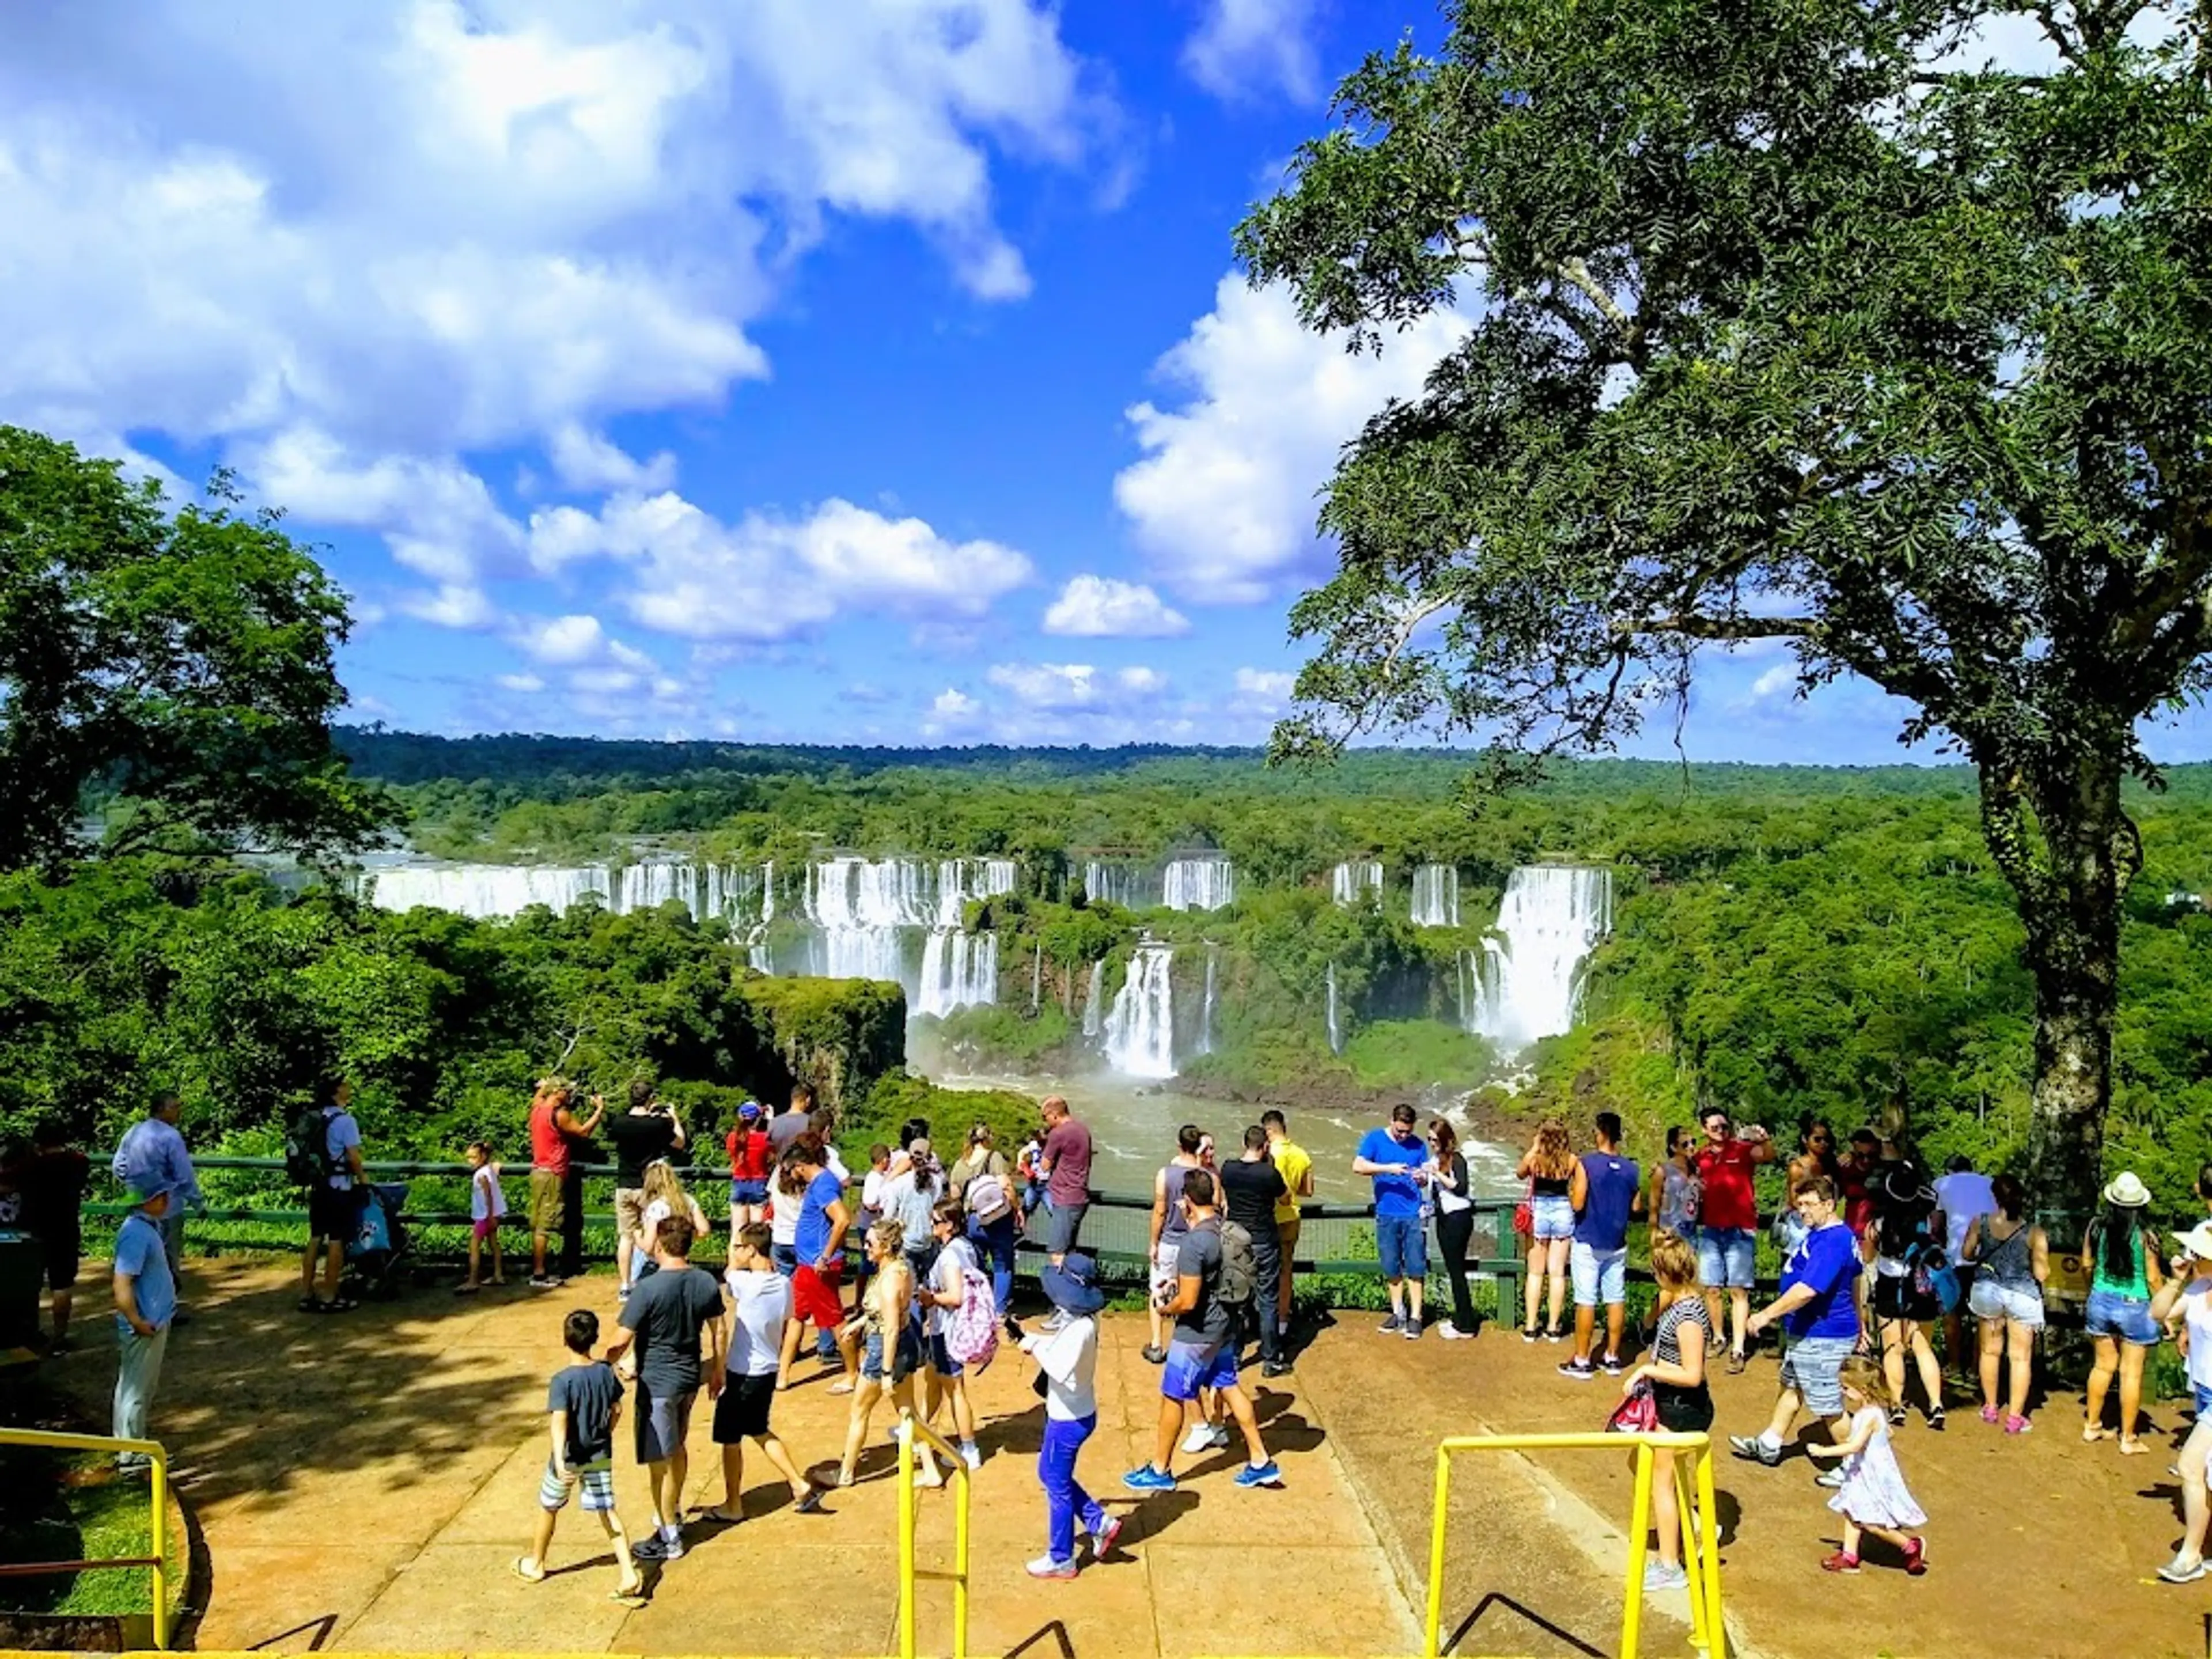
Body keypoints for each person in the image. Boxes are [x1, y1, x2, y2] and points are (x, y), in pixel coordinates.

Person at [1122, 1168, 1283, 1493]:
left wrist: (1165, 1307)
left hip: (1197, 1333)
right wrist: (1179, 1285)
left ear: (1186, 1202)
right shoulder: (1225, 1228)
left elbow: (1189, 1301)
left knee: (1172, 1396)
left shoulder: (1194, 1242)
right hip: (1226, 1324)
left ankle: (1160, 1469)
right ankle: (1261, 1461)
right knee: (1229, 1385)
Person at [605, 1214, 725, 1563]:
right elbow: (719, 1330)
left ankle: (668, 1531)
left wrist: (602, 1365)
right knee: (678, 1448)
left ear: (660, 1244)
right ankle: (670, 1511)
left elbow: (621, 1340)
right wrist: (718, 1372)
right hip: (689, 1379)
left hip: (657, 1384)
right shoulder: (705, 1282)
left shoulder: (648, 1288)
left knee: (659, 1460)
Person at [514, 1309, 646, 1603]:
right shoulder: (604, 1372)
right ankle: (627, 1572)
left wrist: (560, 1460)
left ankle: (536, 1563)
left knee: (549, 1506)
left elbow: (559, 1421)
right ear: (595, 1338)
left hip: (570, 1456)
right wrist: (605, 1432)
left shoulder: (563, 1381)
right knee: (607, 1511)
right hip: (598, 1453)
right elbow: (617, 1409)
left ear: (565, 1339)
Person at [1730, 1176, 1861, 1469]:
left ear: (1829, 1205)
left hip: (1823, 1335)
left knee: (1828, 1406)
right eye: (1799, 1204)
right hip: (1809, 1332)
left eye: (1809, 1204)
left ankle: (1858, 1468)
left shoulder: (1833, 1241)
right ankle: (1770, 1443)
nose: (1802, 1211)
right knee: (1792, 1386)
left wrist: (1766, 1315)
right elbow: (1855, 1281)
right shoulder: (1827, 1235)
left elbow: (1807, 1290)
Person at [703, 1224, 827, 1523]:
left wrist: (733, 1257)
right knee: (759, 1429)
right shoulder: (783, 1283)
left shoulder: (746, 1283)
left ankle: (733, 1504)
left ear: (751, 1250)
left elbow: (729, 1276)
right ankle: (798, 1483)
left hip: (742, 1372)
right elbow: (787, 1316)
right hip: (767, 1370)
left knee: (730, 1439)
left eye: (740, 1246)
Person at [1020, 1252, 1123, 1580]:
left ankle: (1062, 1557)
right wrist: (1035, 1340)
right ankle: (1098, 1522)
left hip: (1068, 1420)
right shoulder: (1083, 1322)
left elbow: (1060, 1368)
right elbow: (1060, 1349)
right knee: (1050, 1475)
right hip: (1074, 1413)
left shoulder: (1079, 1328)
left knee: (1056, 1484)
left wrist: (1034, 1348)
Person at [1620, 1229, 1711, 1593]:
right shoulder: (1677, 1303)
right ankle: (1691, 1525)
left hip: (1682, 1408)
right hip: (1667, 1401)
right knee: (1637, 1462)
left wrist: (1646, 1369)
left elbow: (1692, 1375)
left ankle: (1671, 1566)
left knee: (1661, 1483)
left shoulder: (1688, 1314)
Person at [838, 1220, 942, 1488]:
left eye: (870, 1244)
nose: (865, 1247)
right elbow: (889, 1314)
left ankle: (846, 1473)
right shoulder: (900, 1268)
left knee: (859, 1412)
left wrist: (885, 1372)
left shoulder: (888, 1280)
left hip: (884, 1349)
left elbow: (891, 1328)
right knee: (909, 1413)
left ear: (885, 1247)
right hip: (904, 1345)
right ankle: (931, 1470)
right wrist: (858, 1323)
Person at [1808, 1355, 1928, 1575]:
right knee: (1852, 1511)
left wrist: (1824, 1451)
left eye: (1846, 1387)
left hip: (1871, 1474)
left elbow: (1854, 1446)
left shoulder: (1869, 1416)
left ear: (1862, 1390)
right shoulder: (1871, 1414)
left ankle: (1910, 1546)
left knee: (1872, 1523)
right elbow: (1888, 1434)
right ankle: (1849, 1555)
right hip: (1862, 1472)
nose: (1843, 1392)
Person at [2082, 1171, 2165, 1455]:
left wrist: (2091, 1291)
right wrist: (2165, 1312)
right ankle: (2128, 1438)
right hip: (2135, 1303)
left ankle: (2092, 1424)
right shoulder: (2146, 1236)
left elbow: (2086, 1264)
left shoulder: (2096, 1227)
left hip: (2101, 1299)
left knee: (2103, 1366)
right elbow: (2153, 1278)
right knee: (2131, 1374)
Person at [2150, 1221, 2212, 1582]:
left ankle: (2189, 1557)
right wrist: (2175, 1280)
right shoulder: (2198, 1287)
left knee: (2190, 1467)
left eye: (2198, 1253)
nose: (2192, 1256)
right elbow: (2157, 1314)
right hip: (2204, 1391)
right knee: (2205, 1476)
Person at [1692, 1108, 1777, 1372]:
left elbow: (1767, 1156)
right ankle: (1718, 1336)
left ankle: (1738, 1349)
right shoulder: (1701, 1157)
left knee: (1739, 1290)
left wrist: (1763, 1139)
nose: (1721, 1132)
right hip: (1712, 1228)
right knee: (1712, 1288)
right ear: (1705, 1130)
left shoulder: (1741, 1149)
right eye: (1715, 1128)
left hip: (1740, 1228)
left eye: (1724, 1127)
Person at [1961, 1173, 2046, 1432]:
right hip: (2021, 1294)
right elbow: (2042, 1273)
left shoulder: (1981, 1222)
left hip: (1987, 1290)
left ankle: (1990, 1406)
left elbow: (1966, 1253)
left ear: (1994, 1197)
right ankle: (2016, 1416)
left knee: (1990, 1351)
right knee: (2020, 1358)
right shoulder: (2034, 1232)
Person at [1562, 1112, 1641, 1378]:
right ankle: (1612, 1356)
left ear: (1601, 1132)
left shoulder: (1586, 1164)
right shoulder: (1632, 1168)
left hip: (1589, 1239)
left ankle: (1583, 1360)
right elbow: (1637, 1206)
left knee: (1586, 1300)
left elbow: (1578, 1203)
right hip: (1617, 1241)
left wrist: (1572, 1192)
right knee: (1615, 1298)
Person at [777, 1138, 859, 1391]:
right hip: (807, 1264)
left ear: (800, 1166)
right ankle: (782, 1374)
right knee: (796, 1315)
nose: (791, 1176)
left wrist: (825, 1256)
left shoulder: (823, 1185)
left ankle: (852, 1373)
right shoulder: (820, 1183)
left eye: (791, 1170)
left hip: (818, 1265)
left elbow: (842, 1220)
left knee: (834, 1318)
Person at [1869, 1163, 1948, 1427]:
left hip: (1889, 1284)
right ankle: (1936, 1404)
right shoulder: (1926, 1218)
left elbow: (1868, 1256)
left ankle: (1897, 1404)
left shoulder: (1880, 1222)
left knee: (1893, 1347)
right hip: (1921, 1285)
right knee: (1922, 1347)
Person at [111, 1092, 201, 1321]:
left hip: (140, 1206)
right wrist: (196, 1202)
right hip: (167, 1206)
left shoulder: (134, 1132)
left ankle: (143, 1305)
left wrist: (137, 1187)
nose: (179, 1111)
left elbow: (118, 1166)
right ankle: (168, 1309)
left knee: (142, 1256)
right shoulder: (171, 1137)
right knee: (168, 1257)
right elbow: (184, 1174)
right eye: (175, 1107)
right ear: (162, 1109)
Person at [110, 1176, 177, 1472]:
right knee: (138, 1389)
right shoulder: (137, 1233)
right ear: (148, 1201)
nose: (166, 1202)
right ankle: (133, 1453)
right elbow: (122, 1282)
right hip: (145, 1323)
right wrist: (136, 1320)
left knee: (132, 1386)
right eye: (161, 1196)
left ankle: (126, 1445)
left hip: (151, 1319)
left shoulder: (145, 1228)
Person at [1355, 1104, 1433, 1339]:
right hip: (1386, 1213)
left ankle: (1416, 1317)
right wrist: (1388, 1169)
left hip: (1413, 1215)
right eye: (1400, 1131)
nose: (1403, 1136)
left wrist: (1422, 1178)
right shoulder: (1374, 1139)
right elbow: (1358, 1166)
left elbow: (1425, 1177)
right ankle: (1398, 1312)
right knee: (1391, 1266)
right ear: (1391, 1121)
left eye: (1407, 1132)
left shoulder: (1419, 1146)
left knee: (1416, 1266)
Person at [1219, 1126, 1290, 1376]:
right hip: (1264, 1240)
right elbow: (1286, 1199)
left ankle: (1235, 1357)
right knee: (1268, 1300)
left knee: (1237, 1299)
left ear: (1244, 1144)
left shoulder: (1228, 1168)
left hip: (1236, 1241)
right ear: (1266, 1146)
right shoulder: (1269, 1174)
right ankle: (1270, 1360)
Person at [919, 1199, 984, 1470]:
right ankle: (917, 1430)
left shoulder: (949, 1256)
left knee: (955, 1390)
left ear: (949, 1225)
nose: (932, 1225)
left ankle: (969, 1448)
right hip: (947, 1329)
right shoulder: (966, 1247)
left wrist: (930, 1297)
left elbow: (955, 1297)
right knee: (933, 1379)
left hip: (948, 1331)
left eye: (935, 1221)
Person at [607, 1080, 685, 1297]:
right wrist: (674, 1119)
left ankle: (625, 1285)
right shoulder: (657, 1125)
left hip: (624, 1184)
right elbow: (679, 1143)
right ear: (651, 1098)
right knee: (655, 1232)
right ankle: (652, 1279)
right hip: (649, 1186)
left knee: (626, 1237)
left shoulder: (619, 1123)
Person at [528, 1078, 604, 1290]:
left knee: (539, 1223)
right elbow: (583, 1132)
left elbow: (539, 1097)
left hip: (537, 1171)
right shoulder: (559, 1114)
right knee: (545, 1223)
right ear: (557, 1093)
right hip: (552, 1173)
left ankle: (539, 1270)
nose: (570, 1095)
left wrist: (544, 1085)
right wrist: (599, 1111)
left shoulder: (537, 1108)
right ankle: (539, 1273)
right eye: (567, 1091)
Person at [24, 1120, 90, 1351]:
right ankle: (59, 1337)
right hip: (66, 1229)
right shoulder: (79, 1163)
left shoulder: (31, 1165)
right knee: (62, 1285)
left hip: (34, 1230)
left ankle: (28, 1333)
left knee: (29, 1284)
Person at [301, 1078, 366, 1314]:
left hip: (318, 1187)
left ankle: (306, 1293)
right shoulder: (346, 1121)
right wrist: (364, 1181)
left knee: (315, 1238)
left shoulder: (318, 1117)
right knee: (336, 1240)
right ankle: (330, 1296)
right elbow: (354, 1157)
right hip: (339, 1187)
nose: (349, 1088)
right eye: (345, 1085)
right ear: (337, 1091)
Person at [949, 1122, 1020, 1329]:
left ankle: (977, 1307)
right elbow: (1006, 1186)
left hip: (973, 1220)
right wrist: (1017, 1209)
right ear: (987, 1138)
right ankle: (998, 1312)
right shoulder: (994, 1158)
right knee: (1002, 1265)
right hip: (998, 1219)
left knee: (975, 1266)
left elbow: (955, 1196)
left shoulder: (960, 1164)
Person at [1146, 1126, 1206, 1364]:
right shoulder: (1207, 1176)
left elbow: (1160, 1212)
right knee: (1192, 1294)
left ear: (1178, 1144)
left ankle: (1157, 1344)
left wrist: (1153, 1243)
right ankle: (1187, 1345)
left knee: (1158, 1290)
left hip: (1170, 1241)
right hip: (1197, 1241)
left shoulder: (1165, 1174)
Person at [1516, 1118, 1577, 1343]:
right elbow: (1578, 1186)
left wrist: (1534, 1147)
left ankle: (1531, 1326)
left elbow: (1520, 1173)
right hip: (1563, 1209)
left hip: (1539, 1210)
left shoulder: (1535, 1159)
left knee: (1535, 1273)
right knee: (1557, 1273)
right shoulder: (1571, 1160)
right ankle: (1553, 1327)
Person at [1262, 1110, 1313, 1337]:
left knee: (1262, 1270)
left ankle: (1263, 1317)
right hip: (1292, 1217)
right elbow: (1308, 1190)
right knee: (1286, 1269)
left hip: (1269, 1218)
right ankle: (1283, 1320)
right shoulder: (1302, 1155)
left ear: (1269, 1130)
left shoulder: (1268, 1154)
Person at [1428, 1118, 1479, 1341]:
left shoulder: (1457, 1159)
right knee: (1453, 1269)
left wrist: (1437, 1174)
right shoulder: (1435, 1160)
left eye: (1435, 1139)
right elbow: (1435, 1192)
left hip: (1459, 1218)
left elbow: (1461, 1188)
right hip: (1443, 1218)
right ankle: (1461, 1318)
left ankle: (1466, 1325)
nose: (1431, 1143)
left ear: (1445, 1139)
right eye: (1429, 1139)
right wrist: (1424, 1178)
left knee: (1457, 1272)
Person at [631, 1160, 711, 1287]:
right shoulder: (687, 1200)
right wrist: (686, 1236)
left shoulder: (656, 1207)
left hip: (658, 1266)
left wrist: (636, 1237)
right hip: (682, 1261)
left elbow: (648, 1247)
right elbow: (704, 1229)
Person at [1037, 1096, 1093, 1270]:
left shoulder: (1058, 1133)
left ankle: (1063, 1292)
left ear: (1054, 1114)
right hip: (1079, 1195)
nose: (1045, 1122)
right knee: (1070, 1250)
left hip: (1065, 1198)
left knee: (1058, 1253)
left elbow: (1045, 1166)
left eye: (1045, 1117)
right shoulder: (1083, 1130)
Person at [1781, 1120, 1839, 1255]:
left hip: (1825, 1221)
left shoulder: (1830, 1165)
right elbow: (1793, 1200)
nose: (1823, 1144)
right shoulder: (1797, 1168)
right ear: (1805, 1140)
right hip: (1801, 1223)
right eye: (1817, 1139)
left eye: (1827, 1139)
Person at [458, 1141, 508, 1293]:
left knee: (474, 1246)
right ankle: (498, 1274)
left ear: (483, 1156)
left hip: (484, 1217)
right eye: (469, 1158)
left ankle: (473, 1280)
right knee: (494, 1243)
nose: (470, 1161)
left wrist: (489, 1215)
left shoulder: (481, 1175)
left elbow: (488, 1196)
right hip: (492, 1215)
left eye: (474, 1158)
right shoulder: (489, 1170)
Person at [724, 1100, 772, 1231]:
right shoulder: (764, 1138)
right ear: (757, 1120)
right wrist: (770, 1121)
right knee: (757, 1233)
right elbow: (773, 1152)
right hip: (759, 1182)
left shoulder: (732, 1137)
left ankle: (734, 1252)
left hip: (739, 1182)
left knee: (736, 1230)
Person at [767, 1082, 816, 1156]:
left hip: (780, 1166)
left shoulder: (773, 1123)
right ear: (808, 1100)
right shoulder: (811, 1123)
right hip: (803, 1166)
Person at [1016, 1127, 1047, 1215]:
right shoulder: (1033, 1145)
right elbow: (1022, 1152)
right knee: (1026, 1207)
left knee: (1055, 1210)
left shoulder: (1051, 1145)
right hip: (1034, 1182)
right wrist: (1020, 1163)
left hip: (1048, 1183)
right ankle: (1021, 1225)